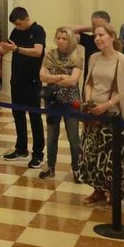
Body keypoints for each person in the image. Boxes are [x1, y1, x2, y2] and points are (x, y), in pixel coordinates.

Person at [78, 26, 124, 201]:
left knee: (112, 158)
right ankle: (98, 190)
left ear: (112, 37)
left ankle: (114, 192)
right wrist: (89, 100)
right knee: (93, 154)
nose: (97, 38)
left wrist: (106, 105)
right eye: (95, 35)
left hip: (112, 116)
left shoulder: (123, 60)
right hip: (93, 113)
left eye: (101, 35)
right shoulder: (94, 58)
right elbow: (89, 82)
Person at [1, 6, 47, 169]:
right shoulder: (16, 32)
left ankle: (38, 154)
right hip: (17, 80)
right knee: (18, 115)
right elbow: (7, 48)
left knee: (35, 118)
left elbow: (37, 52)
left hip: (32, 81)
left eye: (19, 24)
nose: (17, 27)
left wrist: (17, 49)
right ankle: (21, 149)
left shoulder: (38, 30)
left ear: (27, 19)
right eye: (15, 25)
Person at [38, 26, 86, 180]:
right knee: (52, 136)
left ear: (70, 40)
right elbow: (42, 77)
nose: (60, 41)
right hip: (52, 100)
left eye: (64, 38)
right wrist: (61, 77)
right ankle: (50, 166)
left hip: (71, 100)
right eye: (58, 38)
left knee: (73, 137)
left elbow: (73, 81)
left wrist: (54, 77)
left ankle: (77, 168)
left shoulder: (77, 56)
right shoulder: (50, 54)